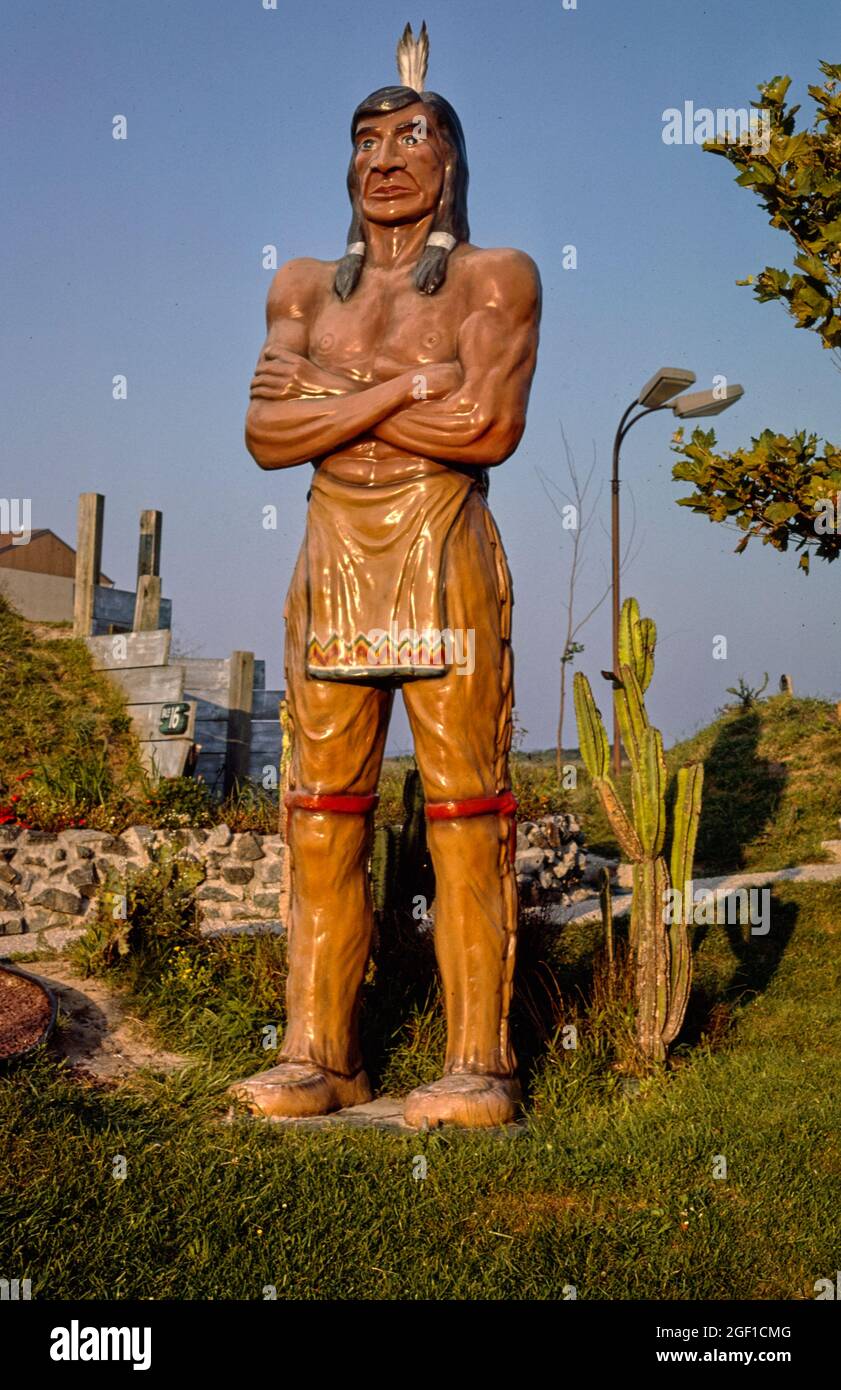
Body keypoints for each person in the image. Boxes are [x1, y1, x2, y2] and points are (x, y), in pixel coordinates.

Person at [233, 26, 541, 1128]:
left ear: (450, 161)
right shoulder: (304, 285)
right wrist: (406, 386)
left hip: (439, 548)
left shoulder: (494, 275)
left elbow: (487, 422)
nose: (385, 155)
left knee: (466, 810)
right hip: (332, 558)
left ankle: (479, 1060)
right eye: (366, 139)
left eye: (412, 134)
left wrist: (334, 391)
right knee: (320, 811)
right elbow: (268, 435)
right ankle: (320, 1051)